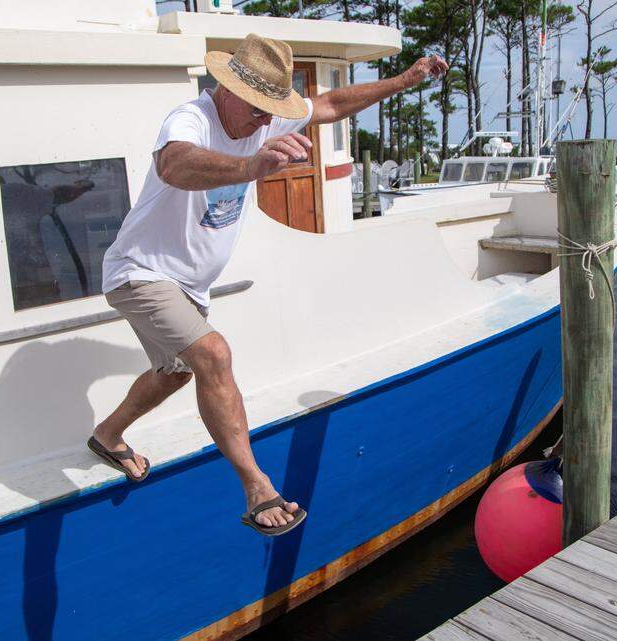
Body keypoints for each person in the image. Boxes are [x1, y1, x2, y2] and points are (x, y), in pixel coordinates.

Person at [90, 33, 447, 536]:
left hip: (189, 284)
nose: (266, 121)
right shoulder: (190, 117)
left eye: (271, 111)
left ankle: (108, 435)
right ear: (228, 90)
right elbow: (173, 165)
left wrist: (405, 81)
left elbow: (329, 103)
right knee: (213, 354)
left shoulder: (265, 114)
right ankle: (257, 487)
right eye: (258, 110)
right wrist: (252, 165)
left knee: (174, 373)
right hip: (140, 271)